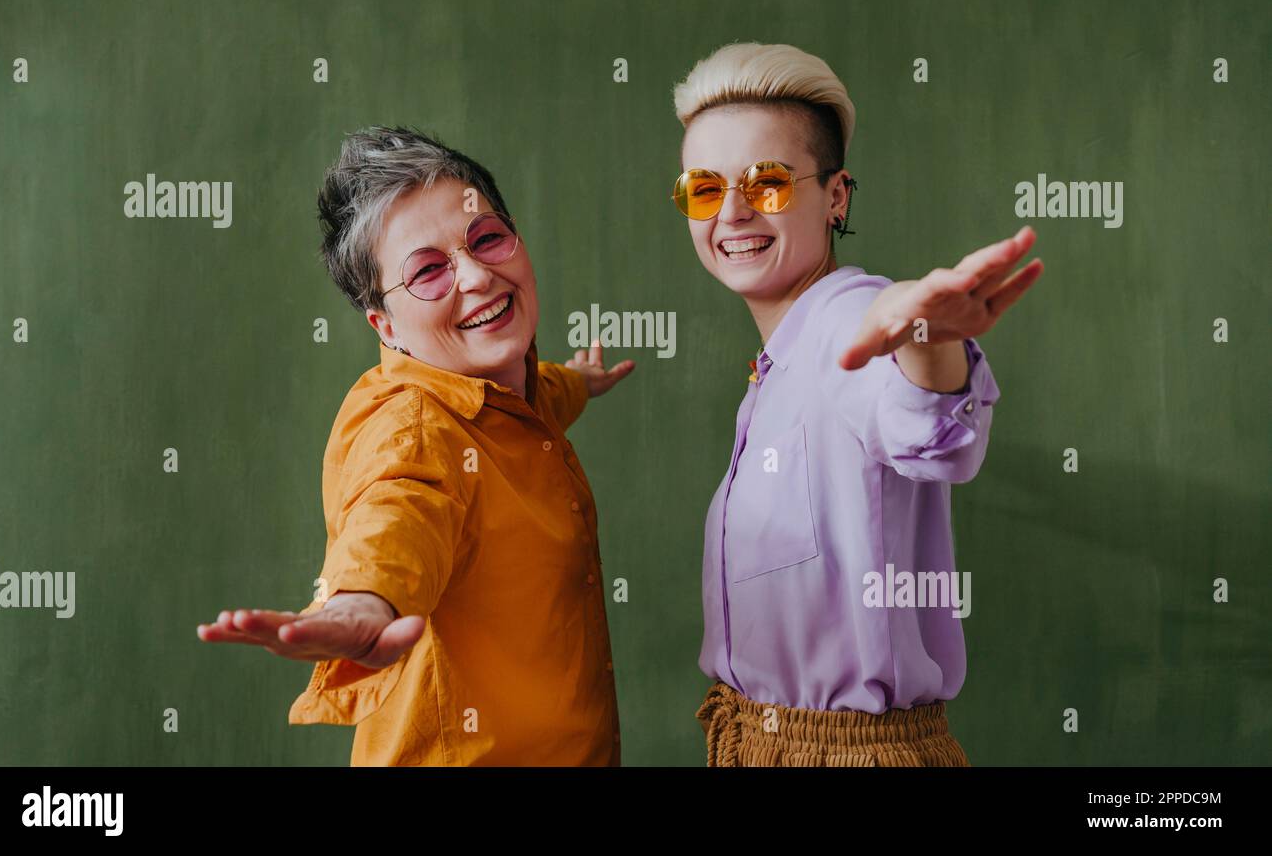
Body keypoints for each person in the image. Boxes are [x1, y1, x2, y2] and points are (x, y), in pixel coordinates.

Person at [197, 125, 634, 765]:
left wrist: (581, 382)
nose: (479, 277)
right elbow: (398, 511)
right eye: (428, 271)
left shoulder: (514, 386)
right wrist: (360, 604)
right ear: (386, 324)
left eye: (487, 238)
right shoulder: (414, 429)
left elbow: (541, 397)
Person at [672, 43, 1043, 766]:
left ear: (836, 196)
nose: (735, 212)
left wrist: (925, 336)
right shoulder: (780, 359)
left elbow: (934, 432)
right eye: (704, 189)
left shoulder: (855, 319)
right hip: (758, 741)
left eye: (769, 183)